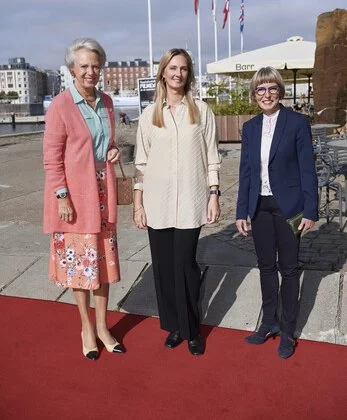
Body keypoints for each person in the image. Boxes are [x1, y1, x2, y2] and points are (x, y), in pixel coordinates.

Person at [133, 48, 221, 356]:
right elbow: (141, 164)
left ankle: (192, 328)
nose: (177, 73)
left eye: (183, 68)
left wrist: (214, 194)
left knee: (185, 266)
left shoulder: (201, 111)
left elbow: (212, 156)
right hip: (156, 203)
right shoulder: (149, 115)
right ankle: (174, 326)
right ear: (163, 72)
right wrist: (138, 203)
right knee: (164, 268)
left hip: (191, 203)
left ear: (189, 74)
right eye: (172, 67)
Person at [43, 38, 125, 360]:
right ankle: (86, 328)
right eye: (84, 66)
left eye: (95, 65)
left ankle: (103, 326)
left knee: (103, 263)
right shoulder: (61, 106)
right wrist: (62, 196)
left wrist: (113, 150)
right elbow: (51, 158)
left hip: (103, 193)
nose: (91, 71)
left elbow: (107, 143)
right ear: (72, 69)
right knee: (80, 267)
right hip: (74, 198)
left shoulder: (106, 102)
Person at [236, 67, 318, 359]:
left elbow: (308, 169)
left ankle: (287, 331)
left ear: (280, 92)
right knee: (266, 267)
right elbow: (246, 172)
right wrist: (241, 211)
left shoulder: (296, 123)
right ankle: (268, 322)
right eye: (261, 89)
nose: (266, 94)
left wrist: (311, 210)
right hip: (260, 206)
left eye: (271, 88)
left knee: (289, 269)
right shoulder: (250, 128)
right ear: (254, 94)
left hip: (290, 207)